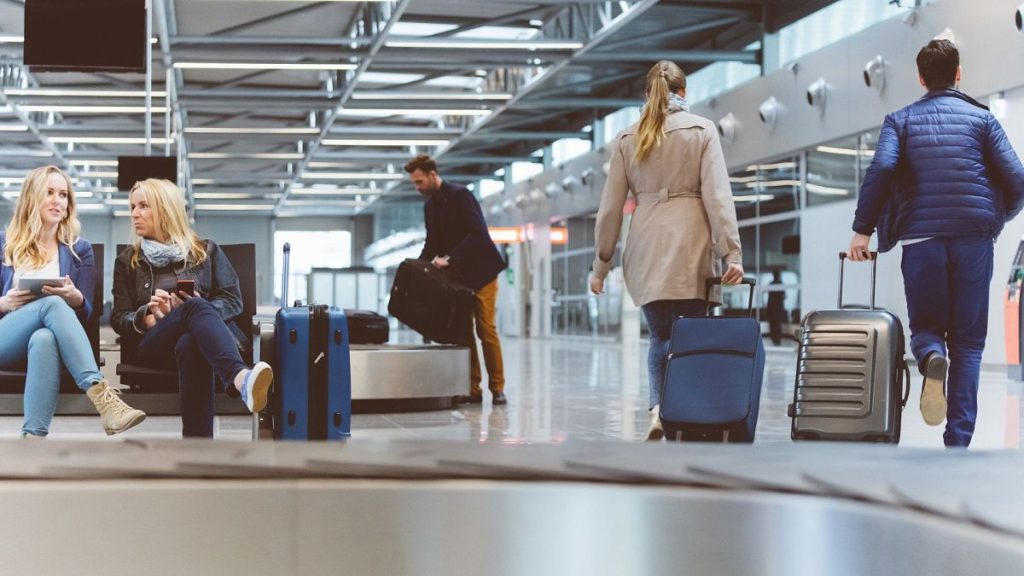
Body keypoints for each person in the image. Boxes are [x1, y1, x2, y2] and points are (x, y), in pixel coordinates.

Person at [848, 39, 1024, 448]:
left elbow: (884, 168)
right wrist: (997, 218)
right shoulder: (983, 120)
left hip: (921, 238)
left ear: (921, 78)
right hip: (974, 241)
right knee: (969, 341)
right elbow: (1017, 180)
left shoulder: (901, 120)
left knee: (927, 327)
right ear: (959, 73)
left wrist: (863, 229)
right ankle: (958, 439)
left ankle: (929, 357)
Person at [589, 60, 744, 441]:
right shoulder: (702, 130)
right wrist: (731, 254)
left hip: (645, 243)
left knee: (660, 336)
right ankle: (690, 412)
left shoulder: (628, 138)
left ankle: (659, 408)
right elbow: (718, 197)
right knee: (692, 335)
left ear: (648, 94)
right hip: (691, 245)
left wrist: (601, 265)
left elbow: (610, 209)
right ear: (683, 92)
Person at [111, 179, 273, 438]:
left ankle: (197, 451)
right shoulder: (127, 261)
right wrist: (148, 318)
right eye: (132, 207)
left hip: (201, 345)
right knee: (194, 308)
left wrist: (192, 312)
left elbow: (233, 301)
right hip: (155, 345)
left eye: (143, 206)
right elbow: (119, 317)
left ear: (166, 209)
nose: (134, 214)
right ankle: (240, 378)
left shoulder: (206, 251)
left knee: (191, 338)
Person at [0, 165, 146, 438]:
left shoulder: (79, 250)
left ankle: (32, 440)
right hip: (6, 339)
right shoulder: (3, 244)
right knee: (52, 304)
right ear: (32, 197)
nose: (58, 201)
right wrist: (5, 303)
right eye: (50, 193)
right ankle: (103, 397)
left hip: (45, 346)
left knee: (45, 337)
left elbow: (87, 313)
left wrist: (76, 298)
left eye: (64, 195)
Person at [404, 154, 509, 406]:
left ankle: (497, 388)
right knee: (463, 333)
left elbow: (478, 234)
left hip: (482, 272)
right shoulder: (430, 207)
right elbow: (432, 243)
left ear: (432, 174)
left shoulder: (461, 195)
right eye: (414, 184)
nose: (417, 187)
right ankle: (472, 389)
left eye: (419, 182)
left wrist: (450, 257)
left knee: (486, 329)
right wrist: (418, 268)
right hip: (458, 278)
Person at [767, 269, 786, 346]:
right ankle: (777, 340)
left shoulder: (771, 284)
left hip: (772, 307)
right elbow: (783, 296)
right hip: (778, 308)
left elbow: (769, 298)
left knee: (773, 324)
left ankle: (774, 339)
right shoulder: (780, 283)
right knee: (777, 324)